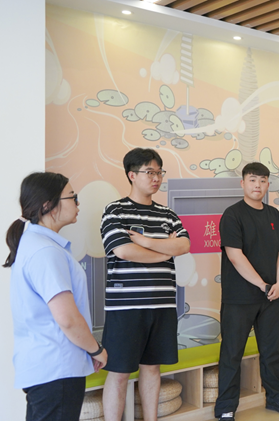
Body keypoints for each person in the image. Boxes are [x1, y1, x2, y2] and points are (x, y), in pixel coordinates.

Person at [7, 172, 107, 421]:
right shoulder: (45, 251)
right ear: (48, 205)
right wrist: (96, 350)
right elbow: (67, 319)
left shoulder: (36, 244)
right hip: (56, 368)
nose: (78, 203)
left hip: (47, 368)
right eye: (73, 196)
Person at [101, 149, 190, 421]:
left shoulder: (167, 214)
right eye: (150, 172)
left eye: (159, 172)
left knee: (152, 368)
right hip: (125, 308)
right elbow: (123, 251)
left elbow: (184, 245)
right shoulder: (115, 210)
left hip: (162, 305)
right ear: (132, 175)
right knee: (119, 372)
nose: (156, 178)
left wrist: (145, 241)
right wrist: (164, 252)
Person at [215, 163, 279, 419]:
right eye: (252, 180)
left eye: (262, 180)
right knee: (232, 352)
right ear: (243, 183)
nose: (257, 185)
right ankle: (226, 407)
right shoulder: (232, 215)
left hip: (272, 296)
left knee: (272, 350)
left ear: (268, 184)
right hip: (239, 297)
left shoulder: (274, 215)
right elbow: (235, 256)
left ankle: (276, 396)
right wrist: (263, 284)